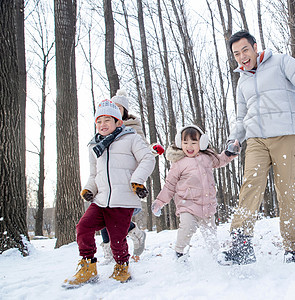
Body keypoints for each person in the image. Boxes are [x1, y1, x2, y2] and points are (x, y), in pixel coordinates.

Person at [220, 30, 295, 265]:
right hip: (256, 141)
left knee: (287, 193)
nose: (242, 57)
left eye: (245, 50)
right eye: (236, 54)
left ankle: (291, 248)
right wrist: (234, 140)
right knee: (249, 186)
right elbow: (241, 117)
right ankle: (241, 243)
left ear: (254, 47)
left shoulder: (281, 62)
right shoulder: (242, 80)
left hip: (286, 135)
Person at [63, 100, 155, 287]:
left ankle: (122, 266)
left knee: (116, 239)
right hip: (101, 199)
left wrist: (137, 181)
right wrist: (89, 189)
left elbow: (148, 158)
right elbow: (93, 174)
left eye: (108, 120)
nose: (103, 125)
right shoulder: (94, 146)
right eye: (99, 121)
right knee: (83, 227)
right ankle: (88, 266)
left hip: (123, 200)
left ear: (118, 122)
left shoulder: (131, 138)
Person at [151, 125, 239, 260]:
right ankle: (180, 253)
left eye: (194, 142)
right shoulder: (179, 163)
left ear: (202, 142)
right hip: (188, 205)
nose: (189, 146)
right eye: (185, 143)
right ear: (180, 143)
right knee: (187, 227)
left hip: (207, 207)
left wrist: (229, 153)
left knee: (211, 235)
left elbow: (221, 160)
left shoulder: (207, 157)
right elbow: (170, 186)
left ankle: (215, 258)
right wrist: (160, 201)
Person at [99, 89, 164, 264]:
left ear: (125, 111)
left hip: (126, 178)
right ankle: (109, 250)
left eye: (119, 107)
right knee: (104, 212)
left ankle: (134, 233)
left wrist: (153, 150)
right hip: (109, 178)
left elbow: (142, 150)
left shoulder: (133, 128)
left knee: (115, 215)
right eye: (113, 106)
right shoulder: (106, 127)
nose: (115, 109)